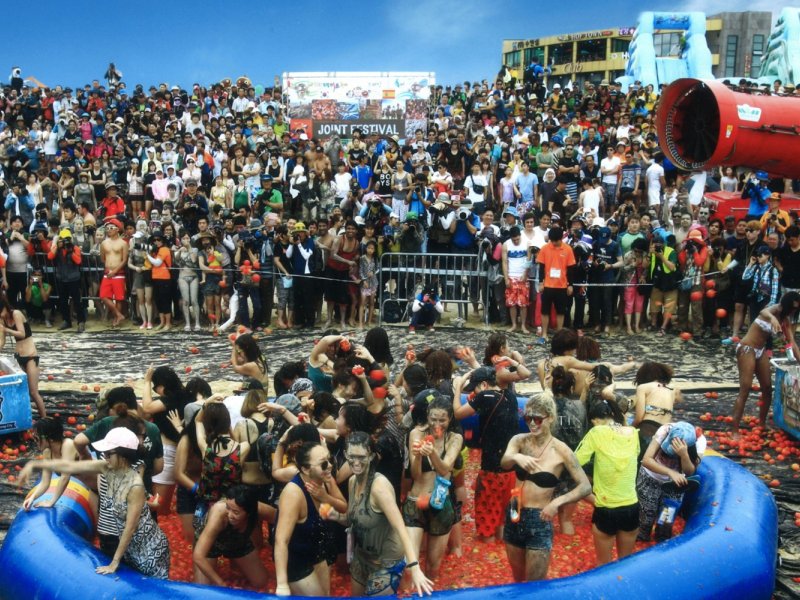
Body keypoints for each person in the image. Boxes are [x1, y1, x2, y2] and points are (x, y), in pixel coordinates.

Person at [18, 427, 170, 578]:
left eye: (109, 453)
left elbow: (129, 528)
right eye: (104, 453)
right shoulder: (105, 467)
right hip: (131, 550)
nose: (104, 456)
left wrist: (114, 562)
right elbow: (70, 466)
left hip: (149, 551)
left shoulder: (134, 486)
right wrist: (34, 465)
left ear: (123, 456)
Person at [326, 432, 433, 597]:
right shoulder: (353, 482)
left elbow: (400, 527)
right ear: (346, 454)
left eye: (361, 457)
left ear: (371, 456)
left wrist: (414, 567)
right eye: (351, 456)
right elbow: (354, 519)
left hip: (386, 562)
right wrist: (336, 517)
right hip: (362, 557)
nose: (355, 462)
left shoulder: (379, 487)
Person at [500, 392, 591, 581]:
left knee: (535, 582)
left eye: (537, 419)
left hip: (539, 518)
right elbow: (504, 462)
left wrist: (557, 503)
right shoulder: (519, 440)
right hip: (514, 512)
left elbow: (585, 486)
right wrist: (517, 456)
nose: (532, 423)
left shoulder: (561, 450)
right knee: (517, 578)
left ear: (549, 418)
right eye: (528, 418)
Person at [274, 440, 347, 596]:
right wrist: (281, 584)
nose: (330, 466)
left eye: (330, 460)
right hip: (296, 561)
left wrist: (325, 497)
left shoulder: (326, 478)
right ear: (305, 469)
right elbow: (281, 540)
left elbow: (344, 507)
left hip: (318, 553)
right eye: (323, 464)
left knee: (325, 596)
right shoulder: (293, 494)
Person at [574, 398, 640, 565]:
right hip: (631, 506)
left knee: (604, 566)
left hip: (606, 507)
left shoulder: (597, 432)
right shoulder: (633, 433)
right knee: (625, 564)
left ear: (596, 420)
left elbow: (575, 462)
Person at [403, 396, 463, 578]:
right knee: (409, 566)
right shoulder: (416, 433)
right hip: (415, 502)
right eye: (433, 419)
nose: (437, 424)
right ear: (427, 417)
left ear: (450, 419)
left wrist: (433, 452)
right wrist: (419, 457)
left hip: (440, 504)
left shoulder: (455, 438)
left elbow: (445, 468)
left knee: (432, 567)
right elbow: (415, 475)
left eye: (442, 420)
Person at [731, 292, 800, 435]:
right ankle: (734, 429)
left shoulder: (785, 320)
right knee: (745, 388)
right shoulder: (774, 310)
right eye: (792, 308)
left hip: (760, 350)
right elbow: (763, 311)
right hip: (747, 348)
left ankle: (762, 423)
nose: (793, 311)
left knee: (768, 388)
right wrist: (772, 318)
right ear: (787, 305)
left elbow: (792, 343)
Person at [193, 484, 272, 588]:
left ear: (249, 512)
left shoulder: (259, 510)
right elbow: (198, 556)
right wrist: (222, 584)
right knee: (202, 589)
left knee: (261, 581)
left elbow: (282, 519)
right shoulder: (219, 515)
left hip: (238, 541)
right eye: (228, 508)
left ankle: (235, 562)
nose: (229, 515)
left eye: (235, 512)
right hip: (211, 544)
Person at [637, 422, 705, 542]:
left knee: (666, 518)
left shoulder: (699, 442)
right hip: (650, 478)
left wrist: (684, 455)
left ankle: (661, 537)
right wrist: (670, 472)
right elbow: (646, 460)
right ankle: (643, 536)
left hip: (675, 486)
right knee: (646, 517)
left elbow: (689, 472)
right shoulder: (665, 430)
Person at [142, 365, 192, 515]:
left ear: (162, 386)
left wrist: (146, 382)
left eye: (155, 387)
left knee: (159, 508)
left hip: (168, 450)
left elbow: (147, 408)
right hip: (182, 449)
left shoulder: (173, 397)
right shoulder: (186, 395)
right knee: (165, 506)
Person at [0, 294, 46, 418]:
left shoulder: (16, 314)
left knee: (33, 392)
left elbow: (21, 333)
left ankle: (45, 419)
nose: (2, 315)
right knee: (21, 390)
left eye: (2, 312)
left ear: (5, 307)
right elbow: (2, 340)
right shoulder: (2, 319)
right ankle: (24, 416)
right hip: (18, 356)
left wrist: (7, 330)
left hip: (31, 356)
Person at [22, 417, 80, 510]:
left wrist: (51, 502)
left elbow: (65, 477)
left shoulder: (67, 445)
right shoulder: (47, 452)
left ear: (51, 438)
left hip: (97, 482)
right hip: (89, 485)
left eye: (37, 438)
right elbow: (45, 482)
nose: (35, 441)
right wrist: (32, 498)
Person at [535, 227, 575, 342]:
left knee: (561, 311)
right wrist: (541, 282)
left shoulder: (568, 249)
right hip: (547, 285)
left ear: (561, 238)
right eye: (552, 240)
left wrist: (570, 285)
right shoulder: (545, 248)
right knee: (545, 311)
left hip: (562, 286)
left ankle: (559, 335)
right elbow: (541, 267)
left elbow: (571, 268)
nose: (554, 243)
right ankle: (544, 334)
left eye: (556, 241)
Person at [632, 361, 681, 447]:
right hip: (665, 431)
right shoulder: (673, 390)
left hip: (648, 428)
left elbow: (639, 418)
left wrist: (631, 428)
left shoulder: (642, 387)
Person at [47, 229, 86, 332]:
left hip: (73, 279)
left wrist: (70, 252)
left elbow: (78, 261)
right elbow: (50, 256)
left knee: (77, 301)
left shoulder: (75, 248)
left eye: (67, 239)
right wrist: (56, 245)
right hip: (61, 278)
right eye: (64, 239)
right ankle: (66, 321)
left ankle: (81, 322)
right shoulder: (58, 249)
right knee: (63, 301)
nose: (66, 242)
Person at [99, 218, 128, 327]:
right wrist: (109, 269)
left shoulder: (123, 243)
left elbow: (124, 260)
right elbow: (102, 258)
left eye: (111, 228)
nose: (109, 230)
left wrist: (115, 270)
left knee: (119, 298)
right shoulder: (104, 243)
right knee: (103, 296)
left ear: (117, 229)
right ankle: (118, 314)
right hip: (108, 272)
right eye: (107, 228)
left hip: (119, 273)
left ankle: (117, 318)